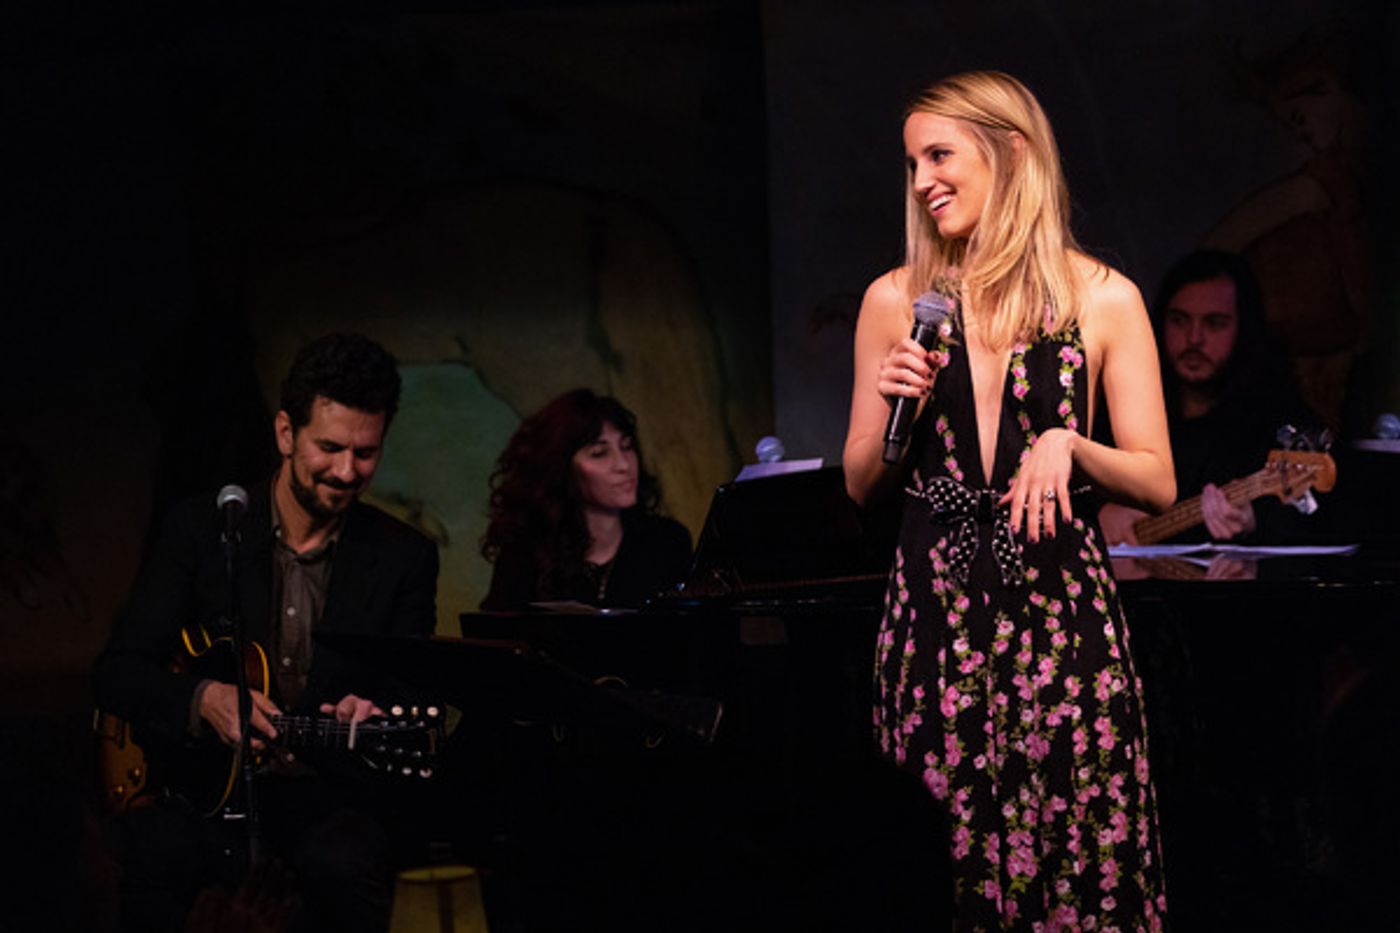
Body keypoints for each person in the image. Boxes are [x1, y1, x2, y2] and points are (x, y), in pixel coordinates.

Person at [843, 71, 1173, 928]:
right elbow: (860, 481)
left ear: (1011, 151)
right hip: (934, 626)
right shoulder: (896, 300)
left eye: (940, 154)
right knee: (936, 872)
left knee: (1076, 863)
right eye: (913, 162)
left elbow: (1157, 478)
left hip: (1062, 626)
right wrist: (892, 399)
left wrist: (1070, 444)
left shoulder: (1103, 298)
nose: (922, 181)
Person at [93, 333, 439, 933]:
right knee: (154, 860)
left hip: (327, 799)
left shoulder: (405, 557)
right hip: (202, 792)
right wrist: (205, 700)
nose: (347, 470)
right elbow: (117, 673)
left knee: (345, 864)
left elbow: (406, 683)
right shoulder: (199, 529)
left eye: (367, 452)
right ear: (285, 434)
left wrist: (375, 709)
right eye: (329, 447)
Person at [1099, 249, 1319, 545]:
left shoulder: (1278, 419)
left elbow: (1320, 520)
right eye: (1179, 320)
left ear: (1243, 328)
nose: (1194, 339)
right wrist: (1100, 512)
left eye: (1214, 323)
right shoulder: (1121, 412)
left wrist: (1255, 521)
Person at [480, 388, 691, 610]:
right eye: (600, 453)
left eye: (627, 447)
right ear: (561, 467)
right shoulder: (526, 552)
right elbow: (497, 636)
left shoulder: (667, 542)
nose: (624, 465)